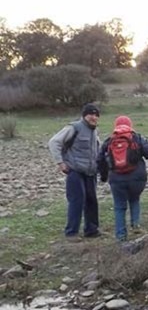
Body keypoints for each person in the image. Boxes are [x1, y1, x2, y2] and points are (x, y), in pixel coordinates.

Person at [97, 115, 148, 241]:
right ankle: (135, 225)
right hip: (137, 178)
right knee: (134, 199)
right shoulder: (136, 137)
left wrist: (104, 177)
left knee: (119, 206)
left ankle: (120, 236)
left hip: (116, 179)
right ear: (130, 125)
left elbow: (99, 160)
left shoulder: (110, 140)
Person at [48, 103, 102, 241]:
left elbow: (97, 150)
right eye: (91, 114)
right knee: (77, 201)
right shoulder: (73, 128)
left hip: (90, 172)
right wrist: (60, 162)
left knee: (91, 201)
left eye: (96, 115)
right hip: (75, 171)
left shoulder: (94, 131)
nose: (94, 117)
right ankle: (71, 233)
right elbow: (54, 142)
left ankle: (92, 230)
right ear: (84, 115)